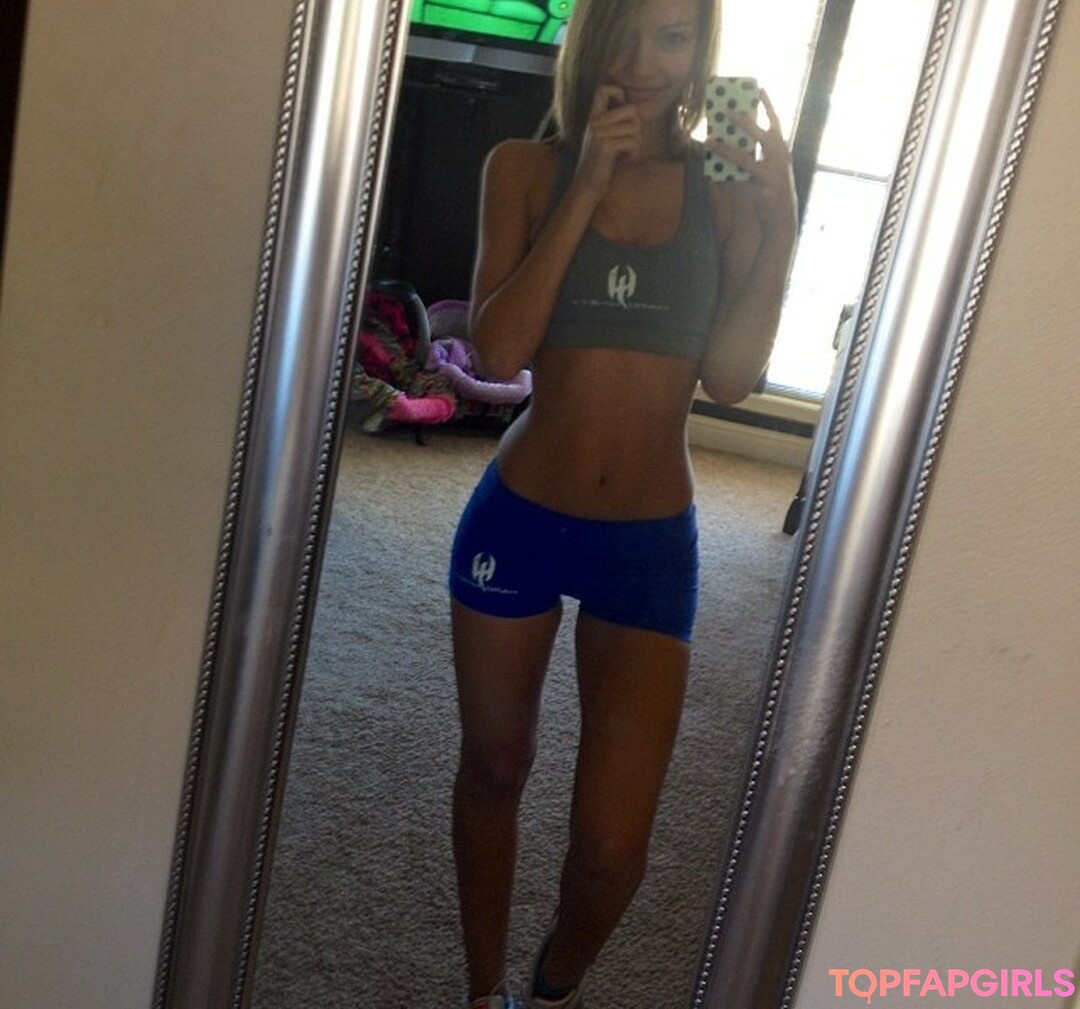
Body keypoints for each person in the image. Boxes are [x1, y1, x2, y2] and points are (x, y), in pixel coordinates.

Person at [447, 0, 796, 1005]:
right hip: (519, 517)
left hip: (648, 544)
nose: (647, 60)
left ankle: (552, 984)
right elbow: (499, 352)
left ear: (701, 53)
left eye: (675, 36)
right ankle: (483, 990)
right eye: (630, 30)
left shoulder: (721, 188)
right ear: (592, 36)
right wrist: (588, 180)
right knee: (495, 767)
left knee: (613, 849)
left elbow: (731, 377)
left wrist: (780, 222)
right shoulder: (522, 167)